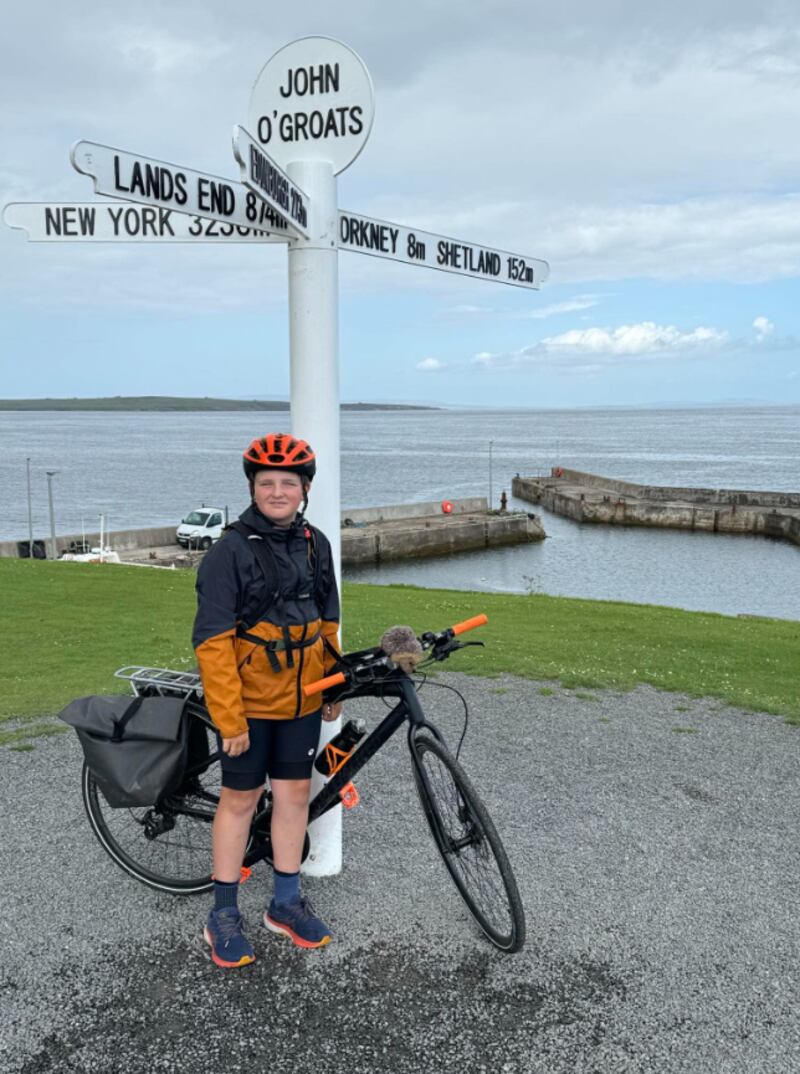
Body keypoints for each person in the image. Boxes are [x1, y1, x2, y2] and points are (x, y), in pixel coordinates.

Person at [192, 433, 342, 968]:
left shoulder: (314, 544)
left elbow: (327, 624)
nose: (277, 491)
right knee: (240, 800)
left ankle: (284, 903)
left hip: (301, 699)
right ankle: (223, 913)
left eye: (288, 483)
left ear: (304, 489)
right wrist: (229, 720)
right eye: (266, 483)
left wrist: (332, 686)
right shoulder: (228, 551)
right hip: (249, 706)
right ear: (252, 488)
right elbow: (212, 645)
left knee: (294, 797)